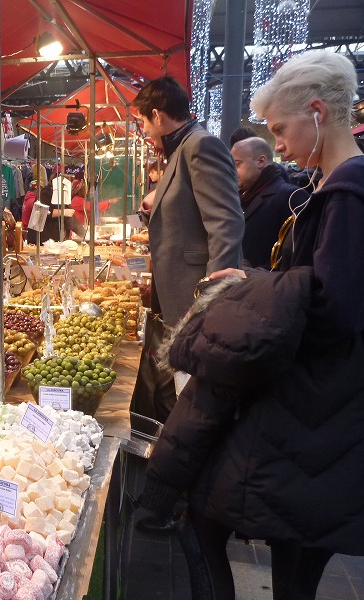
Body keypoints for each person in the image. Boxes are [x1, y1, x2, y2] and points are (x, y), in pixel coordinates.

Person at [139, 50, 364, 600]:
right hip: (311, 400)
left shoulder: (350, 193)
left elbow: (331, 306)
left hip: (309, 401)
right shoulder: (334, 186)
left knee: (219, 521)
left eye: (281, 129)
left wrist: (247, 287)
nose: (278, 146)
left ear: (318, 112)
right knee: (276, 546)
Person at [130, 75, 244, 535]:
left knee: (194, 399)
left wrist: (216, 296)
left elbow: (227, 221)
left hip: (197, 296)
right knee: (184, 395)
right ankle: (188, 493)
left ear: (158, 115)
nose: (141, 130)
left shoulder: (201, 145)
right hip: (178, 292)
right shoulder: (179, 151)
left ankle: (199, 503)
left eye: (141, 121)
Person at [231, 136, 306, 268]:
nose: (232, 171)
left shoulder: (291, 196)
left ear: (261, 161)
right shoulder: (241, 196)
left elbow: (296, 255)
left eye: (237, 164)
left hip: (268, 283)